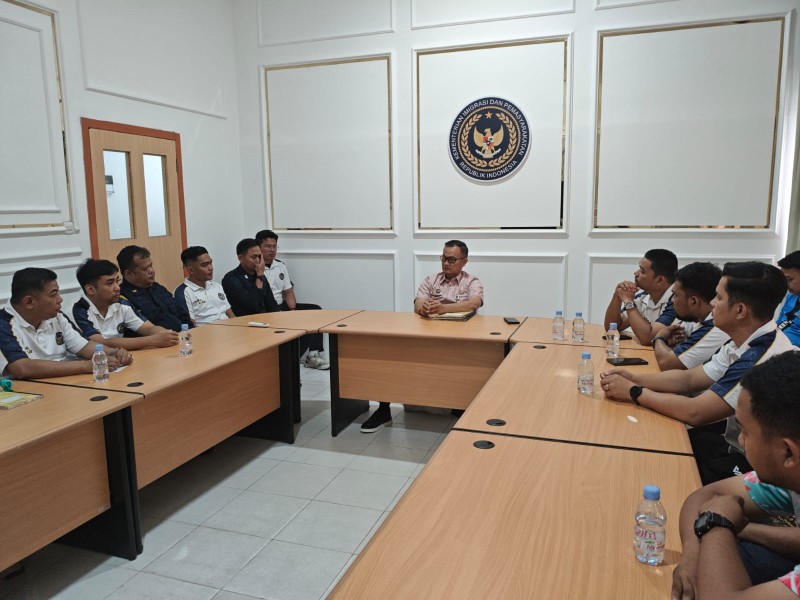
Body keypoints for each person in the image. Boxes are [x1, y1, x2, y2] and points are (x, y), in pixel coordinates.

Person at [600, 261, 794, 485]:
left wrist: (634, 391)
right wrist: (634, 378)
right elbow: (690, 378)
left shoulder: (762, 356)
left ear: (740, 310)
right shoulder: (743, 341)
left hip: (759, 467)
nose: (711, 303)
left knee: (665, 474)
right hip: (734, 445)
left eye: (719, 298)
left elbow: (696, 412)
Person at [671, 351, 800, 600]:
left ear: (787, 452)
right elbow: (705, 495)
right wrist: (691, 555)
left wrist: (717, 522)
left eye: (745, 432)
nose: (740, 441)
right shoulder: (790, 471)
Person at [361, 240, 484, 433]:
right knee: (388, 356)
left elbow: (473, 303)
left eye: (451, 259)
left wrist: (443, 308)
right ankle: (383, 410)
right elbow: (418, 301)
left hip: (459, 340)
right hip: (428, 336)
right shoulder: (431, 280)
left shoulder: (471, 281)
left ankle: (462, 406)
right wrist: (423, 307)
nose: (446, 263)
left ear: (464, 261)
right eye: (443, 258)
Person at [0, 267, 132, 379]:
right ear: (29, 302)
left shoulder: (57, 317)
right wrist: (85, 366)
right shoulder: (4, 323)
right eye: (53, 294)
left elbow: (84, 346)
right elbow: (22, 368)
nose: (60, 299)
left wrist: (112, 352)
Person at [255, 230, 328, 369]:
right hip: (266, 310)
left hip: (281, 305)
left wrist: (293, 311)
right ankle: (289, 361)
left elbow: (288, 292)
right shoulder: (255, 268)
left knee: (315, 311)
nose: (272, 250)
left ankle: (312, 355)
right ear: (258, 247)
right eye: (268, 246)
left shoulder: (280, 265)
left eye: (274, 246)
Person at [73, 259, 179, 349]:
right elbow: (100, 343)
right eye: (110, 283)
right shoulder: (78, 310)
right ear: (90, 289)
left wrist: (165, 335)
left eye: (117, 281)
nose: (117, 288)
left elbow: (149, 328)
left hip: (119, 359)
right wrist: (152, 340)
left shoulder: (121, 303)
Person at [651, 262, 729, 370]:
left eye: (675, 295)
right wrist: (668, 342)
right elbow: (670, 346)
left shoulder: (715, 327)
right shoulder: (694, 319)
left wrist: (659, 338)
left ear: (693, 302)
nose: (672, 300)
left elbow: (667, 363)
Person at [603, 249, 678, 346]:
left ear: (659, 280)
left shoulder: (677, 301)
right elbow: (612, 327)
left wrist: (628, 301)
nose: (636, 273)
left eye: (642, 271)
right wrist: (617, 295)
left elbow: (649, 339)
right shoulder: (645, 296)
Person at [117, 245, 190, 332]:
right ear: (129, 274)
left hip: (183, 335)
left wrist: (190, 331)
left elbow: (182, 313)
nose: (151, 271)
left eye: (151, 266)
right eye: (145, 269)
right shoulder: (123, 298)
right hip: (158, 339)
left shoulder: (157, 288)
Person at [174, 246, 234, 325]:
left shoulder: (216, 286)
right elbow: (190, 325)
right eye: (205, 265)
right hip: (205, 331)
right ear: (191, 270)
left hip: (229, 328)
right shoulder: (183, 292)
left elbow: (230, 315)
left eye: (210, 263)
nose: (211, 268)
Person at [221, 238, 281, 316]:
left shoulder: (260, 275)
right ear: (240, 258)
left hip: (266, 318)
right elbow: (253, 306)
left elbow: (271, 303)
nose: (257, 260)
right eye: (254, 257)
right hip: (246, 320)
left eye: (259, 256)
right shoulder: (231, 279)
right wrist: (259, 277)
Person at [776, 250, 800, 347]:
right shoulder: (791, 296)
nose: (785, 285)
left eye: (789, 279)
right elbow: (779, 323)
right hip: (776, 345)